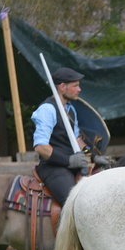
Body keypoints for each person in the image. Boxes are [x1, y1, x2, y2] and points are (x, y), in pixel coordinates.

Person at [32, 67, 110, 207]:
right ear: (62, 87)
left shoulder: (70, 110)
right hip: (53, 168)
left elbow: (77, 141)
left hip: (72, 165)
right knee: (74, 205)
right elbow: (41, 147)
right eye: (75, 86)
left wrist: (93, 156)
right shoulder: (47, 110)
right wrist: (68, 160)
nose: (79, 89)